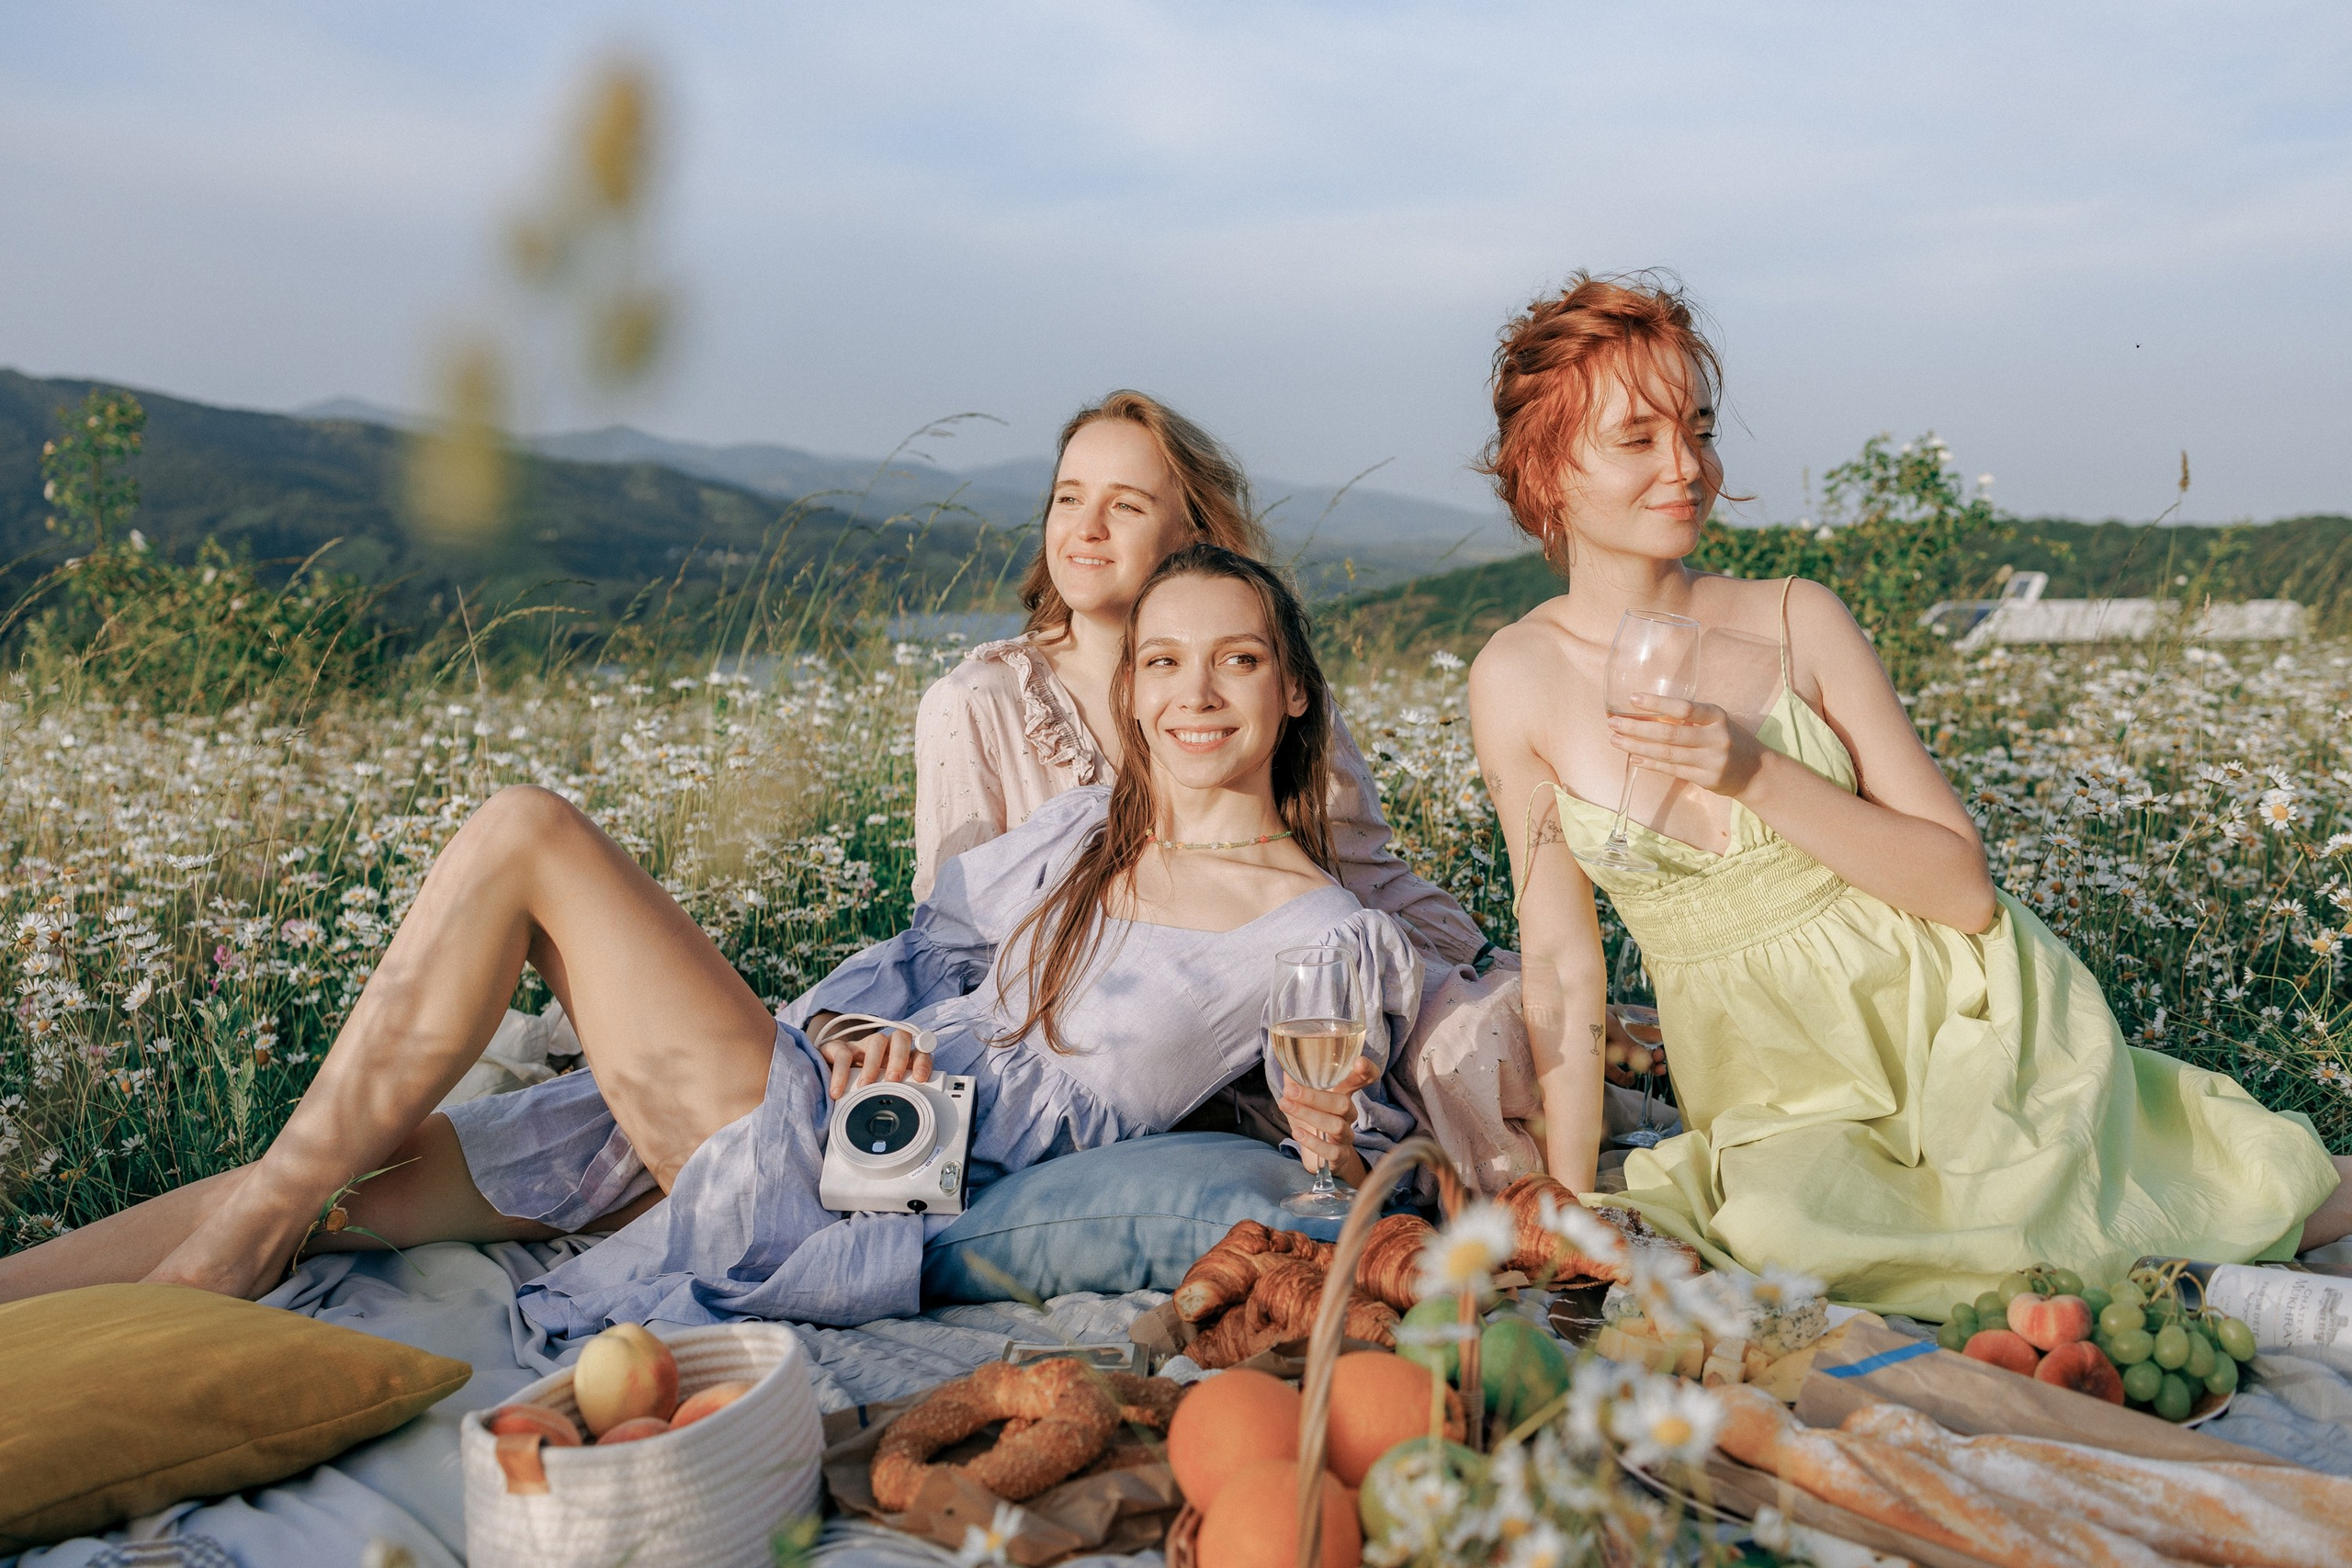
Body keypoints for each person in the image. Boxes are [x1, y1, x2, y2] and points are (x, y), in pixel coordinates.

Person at [0, 547, 1421, 1345]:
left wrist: (1328, 1136)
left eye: (1234, 656)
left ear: (1291, 686)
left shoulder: (1326, 930)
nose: (1192, 690)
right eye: (1162, 658)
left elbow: (1346, 1161)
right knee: (321, 1173)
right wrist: (875, 1030)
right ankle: (166, 1258)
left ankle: (248, 1240)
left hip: (889, 1178)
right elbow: (932, 964)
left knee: (524, 828)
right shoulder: (1080, 832)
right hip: (842, 1089)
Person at [1464, 272, 2349, 1317]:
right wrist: (1567, 1201)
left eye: (1697, 430)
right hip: (1774, 1088)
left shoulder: (1799, 619)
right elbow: (1561, 959)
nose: (1684, 467)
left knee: (2193, 1201)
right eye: (1637, 437)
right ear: (1545, 469)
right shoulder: (1513, 679)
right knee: (1779, 1229)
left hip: (1955, 1020)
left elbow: (1961, 889)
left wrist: (1754, 771)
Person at [912, 389, 1487, 967]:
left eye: (1126, 507)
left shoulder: (1259, 684)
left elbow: (1370, 879)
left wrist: (1487, 965)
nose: (1086, 528)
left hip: (1287, 1005)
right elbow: (951, 945)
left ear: (1192, 533)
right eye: (1068, 499)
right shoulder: (977, 702)